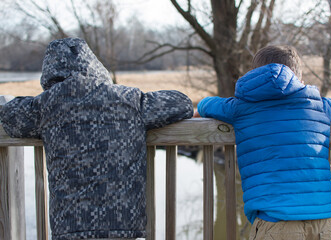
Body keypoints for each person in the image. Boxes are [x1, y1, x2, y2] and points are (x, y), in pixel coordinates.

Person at [0, 38, 193, 240]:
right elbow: (183, 103)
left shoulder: (45, 106)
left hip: (68, 227)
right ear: (93, 64)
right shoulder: (129, 99)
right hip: (123, 225)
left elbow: (10, 117)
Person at [194, 45, 331, 240]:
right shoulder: (320, 105)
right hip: (321, 220)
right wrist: (322, 148)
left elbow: (208, 104)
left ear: (255, 74)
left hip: (276, 220)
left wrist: (198, 110)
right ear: (299, 79)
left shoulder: (241, 107)